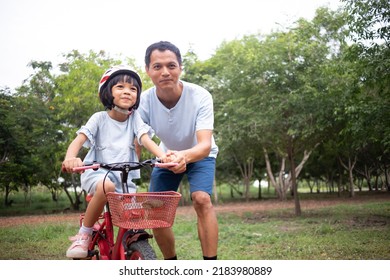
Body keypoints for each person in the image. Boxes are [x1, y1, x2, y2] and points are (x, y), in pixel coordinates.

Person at [61, 65, 169, 259]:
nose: (127, 91)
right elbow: (79, 140)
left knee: (140, 211)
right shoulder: (99, 119)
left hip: (124, 178)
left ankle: (129, 246)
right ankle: (84, 235)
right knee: (107, 186)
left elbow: (145, 139)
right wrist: (70, 157)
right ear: (108, 92)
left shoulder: (134, 118)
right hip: (97, 174)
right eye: (120, 86)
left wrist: (163, 156)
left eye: (133, 89)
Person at [138, 41, 219, 260]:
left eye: (171, 65)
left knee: (201, 199)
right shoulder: (143, 101)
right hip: (166, 157)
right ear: (148, 70)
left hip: (200, 154)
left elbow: (204, 144)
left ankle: (211, 265)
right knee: (156, 208)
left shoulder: (200, 96)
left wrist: (183, 156)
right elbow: (138, 139)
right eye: (157, 67)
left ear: (180, 68)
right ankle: (171, 264)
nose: (165, 72)